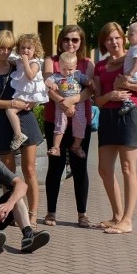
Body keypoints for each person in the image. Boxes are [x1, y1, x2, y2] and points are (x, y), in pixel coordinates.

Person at [0, 30, 42, 229]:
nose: (5, 52)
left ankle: (32, 213)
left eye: (8, 48)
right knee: (9, 173)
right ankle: (14, 211)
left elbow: (33, 85)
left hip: (24, 118)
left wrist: (32, 103)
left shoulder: (17, 65)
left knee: (29, 169)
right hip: (1, 122)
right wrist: (11, 103)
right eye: (1, 47)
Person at [93, 22, 137, 234]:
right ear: (104, 42)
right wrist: (110, 95)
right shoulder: (100, 66)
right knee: (104, 169)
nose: (114, 41)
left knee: (128, 168)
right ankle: (117, 215)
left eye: (117, 37)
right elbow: (98, 100)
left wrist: (127, 86)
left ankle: (127, 221)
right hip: (108, 115)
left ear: (124, 38)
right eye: (109, 39)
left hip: (131, 113)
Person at [42, 25, 95, 228]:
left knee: (79, 167)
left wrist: (71, 100)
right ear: (60, 41)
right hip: (55, 120)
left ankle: (82, 214)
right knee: (55, 166)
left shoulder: (86, 63)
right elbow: (47, 86)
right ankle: (51, 212)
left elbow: (89, 90)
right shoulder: (52, 61)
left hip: (81, 121)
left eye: (75, 40)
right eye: (66, 39)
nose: (70, 43)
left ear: (81, 42)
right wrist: (61, 103)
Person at [44, 52, 92, 158]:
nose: (67, 72)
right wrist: (51, 84)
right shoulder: (56, 76)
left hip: (78, 103)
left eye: (70, 69)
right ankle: (56, 147)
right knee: (60, 123)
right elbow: (47, 81)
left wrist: (90, 82)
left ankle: (76, 146)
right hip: (61, 103)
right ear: (59, 67)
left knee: (81, 122)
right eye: (64, 69)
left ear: (75, 67)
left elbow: (87, 81)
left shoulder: (78, 74)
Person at [6, 33, 49, 150]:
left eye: (29, 48)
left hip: (30, 94)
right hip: (24, 93)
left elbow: (30, 76)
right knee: (12, 111)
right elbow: (11, 61)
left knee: (10, 111)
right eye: (22, 48)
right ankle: (19, 134)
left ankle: (18, 135)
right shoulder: (20, 61)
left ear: (35, 50)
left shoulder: (34, 63)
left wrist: (25, 62)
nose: (25, 51)